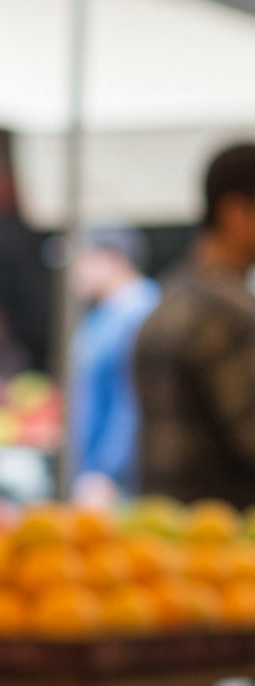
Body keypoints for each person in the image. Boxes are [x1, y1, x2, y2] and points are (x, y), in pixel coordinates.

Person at [135, 144, 255, 507]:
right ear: (234, 212)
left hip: (165, 531)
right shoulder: (227, 312)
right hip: (224, 540)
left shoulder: (167, 297)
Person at [68, 229, 160, 492]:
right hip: (92, 472)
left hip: (119, 482)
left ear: (112, 259)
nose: (75, 270)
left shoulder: (140, 312)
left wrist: (107, 472)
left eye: (82, 258)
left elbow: (134, 401)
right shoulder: (104, 314)